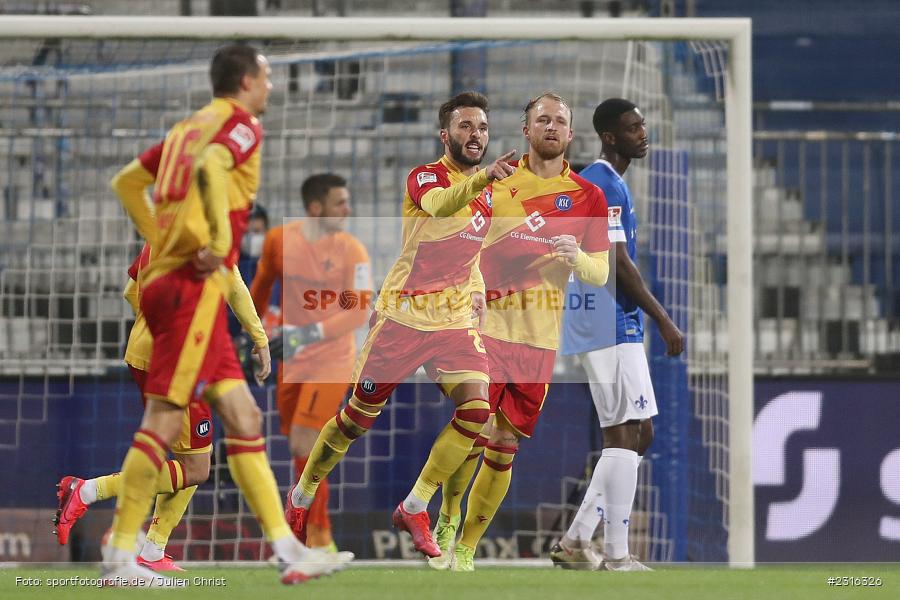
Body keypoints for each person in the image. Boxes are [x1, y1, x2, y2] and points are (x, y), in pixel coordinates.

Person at [97, 43, 349, 586]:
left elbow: (126, 183)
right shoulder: (241, 126)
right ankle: (119, 555)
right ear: (246, 81)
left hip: (189, 286)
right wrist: (209, 239)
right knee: (164, 424)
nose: (272, 86)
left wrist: (161, 240)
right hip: (189, 287)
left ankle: (287, 548)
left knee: (244, 418)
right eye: (267, 76)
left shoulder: (187, 128)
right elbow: (214, 166)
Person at [286, 91, 517, 559]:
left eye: (483, 128)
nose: (476, 135)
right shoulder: (424, 177)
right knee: (354, 422)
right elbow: (441, 207)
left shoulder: (489, 193)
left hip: (452, 321)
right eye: (466, 126)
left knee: (478, 412)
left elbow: (469, 251)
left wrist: (476, 290)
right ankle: (301, 496)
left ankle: (415, 505)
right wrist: (483, 181)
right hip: (402, 318)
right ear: (445, 134)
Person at [431, 91, 611, 572]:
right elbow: (460, 244)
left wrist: (581, 259)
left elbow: (601, 273)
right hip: (487, 329)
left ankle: (466, 547)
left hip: (540, 340)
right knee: (474, 429)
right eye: (542, 120)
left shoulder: (590, 197)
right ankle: (447, 515)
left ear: (570, 135)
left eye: (560, 121)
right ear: (526, 130)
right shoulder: (497, 184)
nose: (551, 127)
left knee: (505, 444)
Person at [53, 241, 272, 572]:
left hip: (148, 353)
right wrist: (260, 337)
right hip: (177, 359)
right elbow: (235, 286)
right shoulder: (208, 226)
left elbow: (131, 291)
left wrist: (152, 330)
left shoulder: (163, 230)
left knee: (194, 456)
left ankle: (153, 549)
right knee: (198, 467)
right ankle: (85, 491)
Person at [551, 97, 684, 572]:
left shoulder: (608, 182)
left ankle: (576, 538)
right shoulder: (604, 184)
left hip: (609, 320)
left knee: (638, 433)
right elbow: (618, 265)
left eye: (642, 125)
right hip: (605, 320)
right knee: (623, 433)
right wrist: (662, 318)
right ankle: (616, 555)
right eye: (632, 127)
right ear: (610, 136)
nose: (642, 133)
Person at [249, 173, 371, 551]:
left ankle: (317, 539)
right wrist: (255, 335)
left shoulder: (353, 251)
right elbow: (260, 286)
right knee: (301, 448)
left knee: (306, 441)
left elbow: (358, 313)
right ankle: (308, 537)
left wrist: (303, 335)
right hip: (291, 358)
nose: (347, 210)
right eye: (340, 203)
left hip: (333, 358)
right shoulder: (279, 242)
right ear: (315, 208)